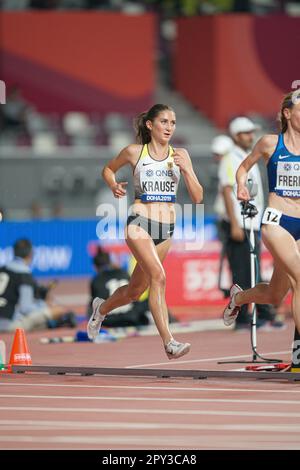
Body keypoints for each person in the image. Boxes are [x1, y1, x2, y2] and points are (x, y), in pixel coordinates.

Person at [87, 103, 203, 359]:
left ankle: (101, 308)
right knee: (158, 278)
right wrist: (113, 185)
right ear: (150, 125)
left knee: (135, 291)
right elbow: (108, 169)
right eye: (164, 122)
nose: (169, 127)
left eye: (173, 123)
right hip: (139, 221)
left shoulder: (180, 154)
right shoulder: (134, 152)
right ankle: (169, 343)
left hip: (167, 228)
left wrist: (187, 170)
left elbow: (198, 197)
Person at [223, 90, 300, 335]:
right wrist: (242, 185)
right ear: (287, 114)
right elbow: (243, 167)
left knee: (275, 295)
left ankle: (239, 298)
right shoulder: (270, 143)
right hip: (277, 221)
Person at [216, 116, 282, 330]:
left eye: (251, 132)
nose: (250, 136)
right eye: (246, 133)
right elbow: (227, 190)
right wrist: (234, 223)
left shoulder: (246, 156)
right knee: (242, 271)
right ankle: (244, 318)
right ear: (236, 136)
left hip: (252, 221)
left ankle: (261, 314)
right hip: (239, 222)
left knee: (253, 269)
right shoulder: (230, 158)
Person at [0, 239, 77, 332]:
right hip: (8, 325)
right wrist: (45, 306)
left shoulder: (2, 269)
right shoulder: (24, 275)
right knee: (56, 311)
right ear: (30, 254)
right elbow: (25, 308)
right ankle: (54, 323)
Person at [87, 247, 149, 327]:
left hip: (109, 320)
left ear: (95, 267)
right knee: (150, 299)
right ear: (110, 262)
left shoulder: (96, 280)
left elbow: (93, 305)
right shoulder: (124, 273)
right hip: (131, 317)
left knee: (92, 306)